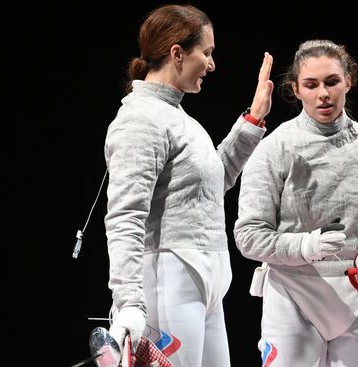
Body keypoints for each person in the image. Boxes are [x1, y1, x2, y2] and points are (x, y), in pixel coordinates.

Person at [103, 4, 273, 367]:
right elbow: (125, 217)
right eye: (207, 53)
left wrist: (254, 118)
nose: (212, 64)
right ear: (177, 53)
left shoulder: (180, 119)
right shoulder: (139, 119)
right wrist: (129, 301)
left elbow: (213, 183)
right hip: (169, 280)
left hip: (204, 283)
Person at [233, 39, 358, 367]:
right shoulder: (275, 148)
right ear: (295, 89)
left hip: (356, 296)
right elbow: (249, 236)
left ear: (347, 82)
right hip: (292, 297)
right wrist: (307, 245)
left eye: (332, 82)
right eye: (311, 85)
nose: (323, 93)